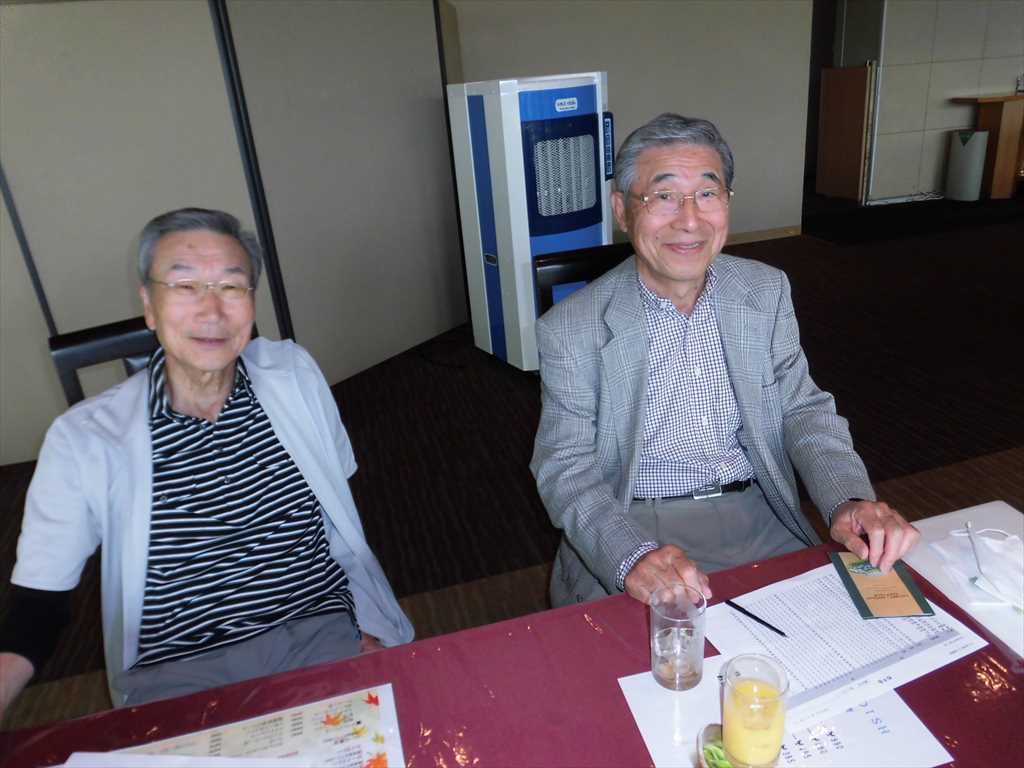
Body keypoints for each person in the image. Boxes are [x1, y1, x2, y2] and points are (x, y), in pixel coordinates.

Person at [0, 208, 413, 715]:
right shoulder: (84, 439)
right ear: (149, 305)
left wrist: (356, 632)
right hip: (179, 672)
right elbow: (38, 605)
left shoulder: (294, 375)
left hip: (317, 637)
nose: (211, 310)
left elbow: (339, 516)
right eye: (185, 286)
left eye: (231, 287)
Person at [530, 114, 920, 607]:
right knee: (664, 652)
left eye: (707, 193)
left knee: (861, 625)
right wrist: (630, 556)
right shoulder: (571, 328)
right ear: (623, 211)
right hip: (636, 521)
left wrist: (850, 499)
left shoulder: (763, 290)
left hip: (759, 509)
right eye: (663, 196)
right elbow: (564, 465)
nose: (689, 220)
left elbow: (802, 409)